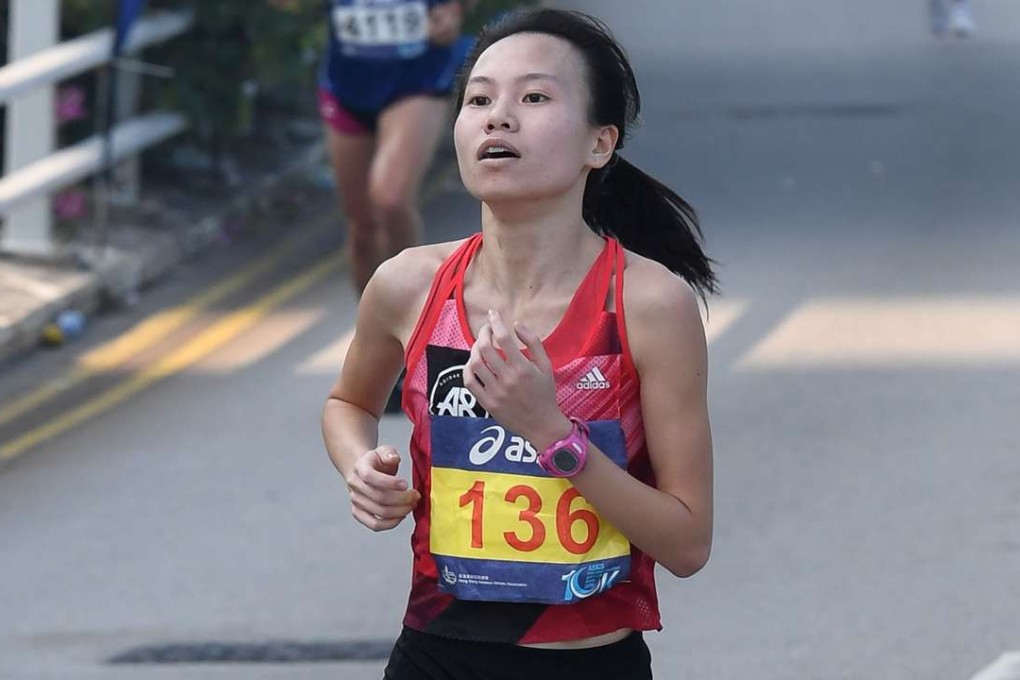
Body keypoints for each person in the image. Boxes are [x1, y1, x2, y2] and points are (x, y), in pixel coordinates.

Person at [322, 8, 717, 679]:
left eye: (534, 97)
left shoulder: (650, 306)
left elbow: (686, 542)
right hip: (435, 656)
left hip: (590, 664)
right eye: (479, 98)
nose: (497, 117)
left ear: (600, 143)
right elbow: (347, 403)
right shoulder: (407, 285)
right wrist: (361, 468)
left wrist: (552, 435)